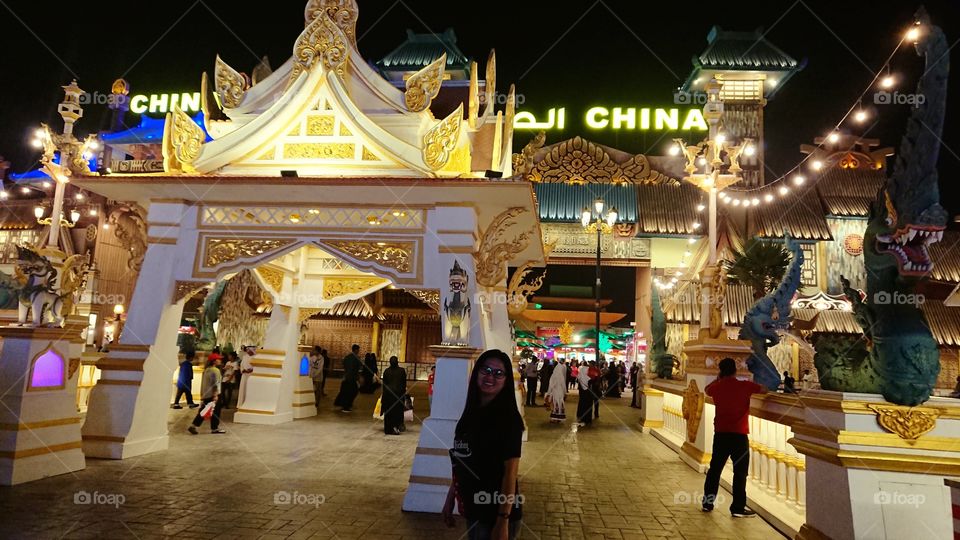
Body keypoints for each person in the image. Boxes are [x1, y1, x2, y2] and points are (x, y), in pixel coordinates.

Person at [443, 350, 524, 540]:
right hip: (474, 509)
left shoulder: (509, 420)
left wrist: (503, 521)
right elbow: (462, 462)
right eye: (485, 370)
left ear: (506, 381)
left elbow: (510, 474)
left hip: (495, 513)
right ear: (476, 372)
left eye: (498, 373)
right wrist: (450, 498)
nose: (490, 377)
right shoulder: (471, 413)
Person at [702, 357, 766, 517]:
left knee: (715, 470)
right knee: (739, 473)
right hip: (739, 435)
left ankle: (708, 503)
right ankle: (737, 507)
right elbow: (765, 390)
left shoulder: (717, 387)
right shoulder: (745, 386)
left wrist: (719, 378)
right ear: (735, 370)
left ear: (721, 371)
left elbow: (706, 389)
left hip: (721, 434)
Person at [188, 354, 226, 434]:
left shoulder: (206, 370)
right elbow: (216, 384)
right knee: (216, 412)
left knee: (203, 411)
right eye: (218, 359)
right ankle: (214, 428)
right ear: (214, 361)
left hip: (206, 394)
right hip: (213, 394)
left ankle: (193, 426)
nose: (220, 361)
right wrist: (215, 395)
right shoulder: (216, 370)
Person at [381, 356, 407, 435]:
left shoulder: (386, 371)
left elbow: (384, 384)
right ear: (397, 362)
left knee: (388, 413)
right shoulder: (401, 371)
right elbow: (403, 383)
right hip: (398, 395)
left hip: (388, 395)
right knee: (397, 412)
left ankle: (388, 429)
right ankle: (396, 427)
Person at [334, 344, 362, 412]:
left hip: (347, 377)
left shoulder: (347, 357)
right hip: (351, 378)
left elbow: (345, 365)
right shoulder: (356, 358)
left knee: (346, 392)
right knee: (352, 392)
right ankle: (346, 406)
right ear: (356, 350)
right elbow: (354, 369)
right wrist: (358, 378)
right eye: (358, 350)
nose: (358, 351)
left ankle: (345, 405)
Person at [547, 358, 567, 423]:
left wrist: (549, 393)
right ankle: (558, 418)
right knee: (559, 404)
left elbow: (550, 385)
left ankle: (554, 418)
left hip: (555, 391)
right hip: (560, 391)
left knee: (555, 404)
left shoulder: (553, 376)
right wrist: (565, 392)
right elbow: (563, 384)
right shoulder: (561, 376)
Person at [576, 361, 593, 427]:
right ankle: (587, 419)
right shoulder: (588, 371)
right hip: (588, 390)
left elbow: (578, 377)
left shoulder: (580, 369)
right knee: (588, 404)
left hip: (582, 390)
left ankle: (581, 416)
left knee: (582, 403)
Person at [309, 346, 325, 410]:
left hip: (318, 377)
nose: (313, 351)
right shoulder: (312, 357)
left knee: (318, 391)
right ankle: (311, 402)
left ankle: (317, 403)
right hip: (311, 376)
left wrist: (314, 375)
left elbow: (320, 369)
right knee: (312, 390)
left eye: (314, 350)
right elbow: (310, 365)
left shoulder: (321, 358)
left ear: (317, 351)